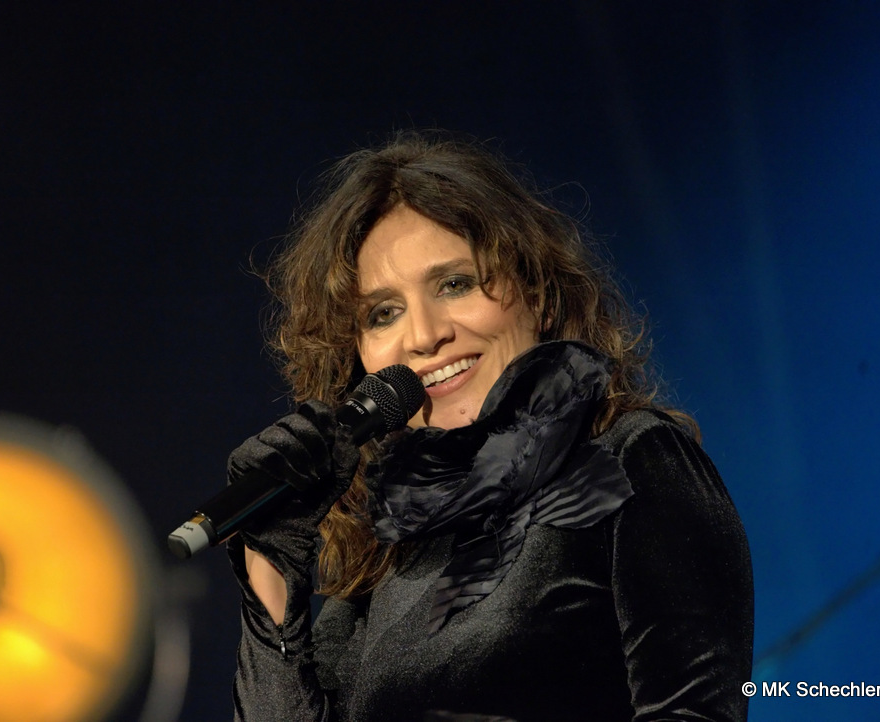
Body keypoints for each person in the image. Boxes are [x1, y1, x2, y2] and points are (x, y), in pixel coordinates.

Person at [224, 131, 753, 721]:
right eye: (383, 313)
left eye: (455, 284)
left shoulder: (632, 458)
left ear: (538, 294)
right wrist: (271, 568)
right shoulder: (389, 552)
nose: (425, 336)